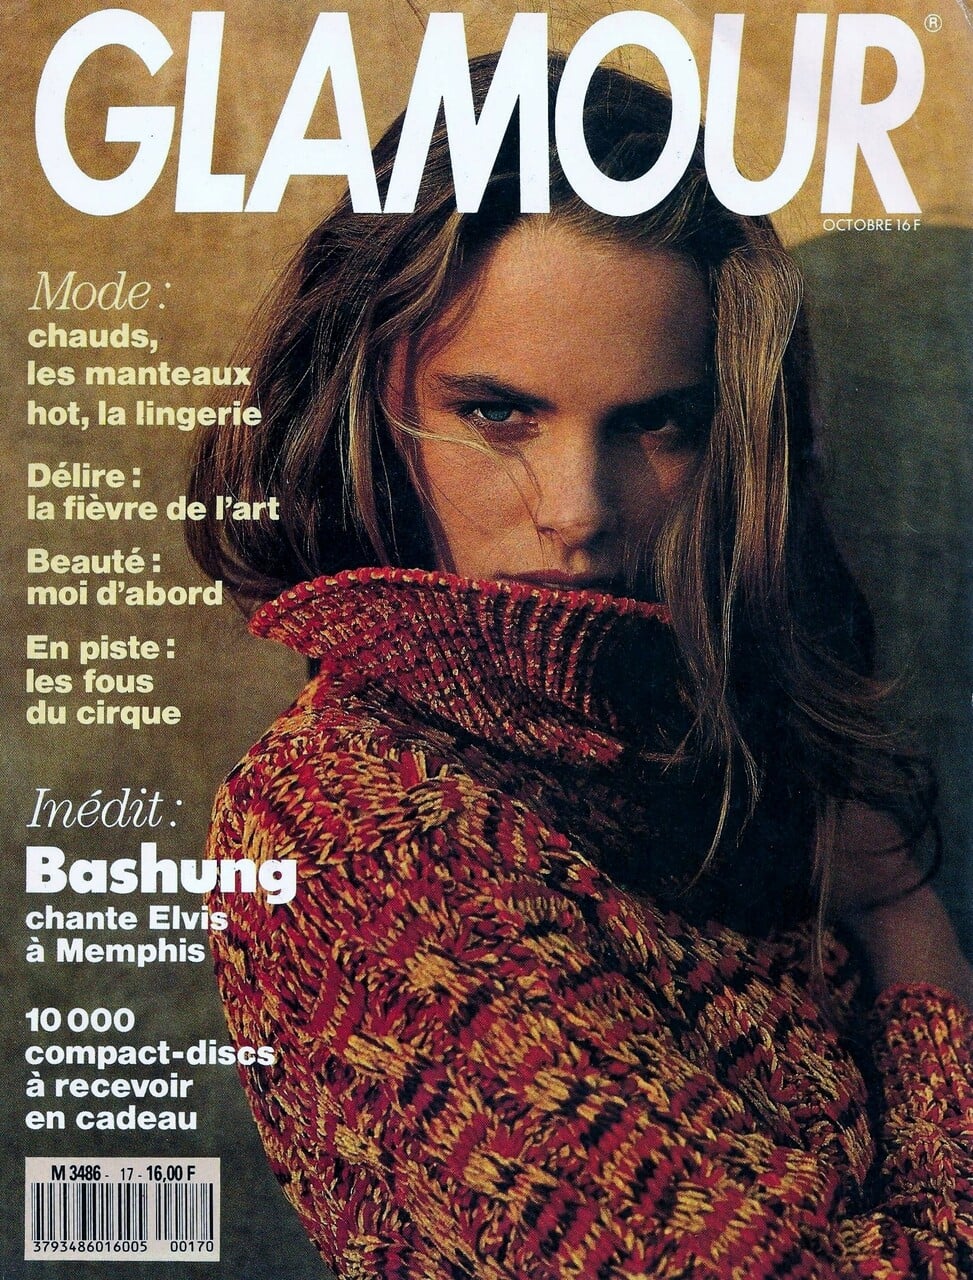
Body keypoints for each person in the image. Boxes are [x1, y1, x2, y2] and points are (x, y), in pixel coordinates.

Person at [189, 54, 972, 1279]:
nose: (578, 511)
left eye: (656, 420)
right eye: (498, 411)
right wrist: (908, 935)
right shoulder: (351, 828)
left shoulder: (696, 739)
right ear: (363, 399)